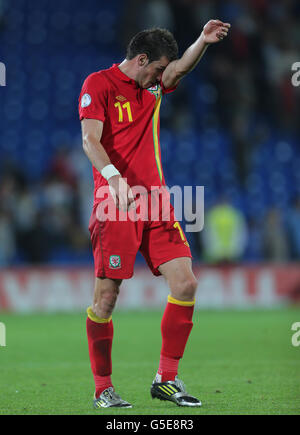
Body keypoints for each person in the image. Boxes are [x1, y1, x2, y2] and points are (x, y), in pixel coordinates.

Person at [79, 20, 230, 409]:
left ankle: (166, 379)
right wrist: (113, 178)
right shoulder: (99, 84)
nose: (162, 78)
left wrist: (203, 41)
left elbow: (180, 68)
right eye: (159, 70)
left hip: (156, 201)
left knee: (186, 284)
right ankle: (103, 388)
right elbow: (89, 140)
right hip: (115, 202)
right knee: (107, 299)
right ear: (142, 59)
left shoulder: (153, 84)